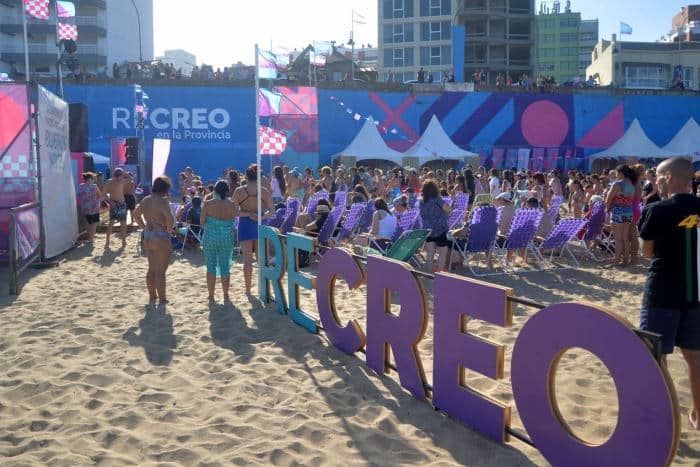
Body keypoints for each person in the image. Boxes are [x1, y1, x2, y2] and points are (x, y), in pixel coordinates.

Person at [638, 157, 700, 430]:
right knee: (695, 356)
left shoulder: (658, 209)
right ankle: (698, 414)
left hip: (663, 290)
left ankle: (659, 417)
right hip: (696, 291)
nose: (656, 181)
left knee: (653, 355)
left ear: (671, 177)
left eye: (659, 176)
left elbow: (647, 252)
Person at [232, 165, 273, 295]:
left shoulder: (239, 191)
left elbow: (233, 212)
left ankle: (248, 290)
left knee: (247, 260)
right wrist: (261, 217)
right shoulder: (264, 191)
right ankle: (263, 288)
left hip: (245, 225)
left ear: (246, 176)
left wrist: (248, 215)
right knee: (262, 259)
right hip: (261, 225)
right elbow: (272, 211)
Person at [132, 176, 174, 304]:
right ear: (165, 188)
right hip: (160, 235)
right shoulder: (162, 201)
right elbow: (170, 219)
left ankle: (152, 296)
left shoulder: (146, 199)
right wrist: (169, 230)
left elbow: (135, 214)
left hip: (148, 236)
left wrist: (144, 227)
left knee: (151, 269)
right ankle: (162, 298)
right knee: (161, 271)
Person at [201, 181, 236, 301]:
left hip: (210, 237)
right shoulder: (232, 205)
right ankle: (226, 294)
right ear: (227, 191)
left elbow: (201, 222)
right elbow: (234, 219)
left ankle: (211, 295)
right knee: (225, 266)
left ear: (214, 191)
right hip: (226, 238)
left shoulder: (208, 203)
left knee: (210, 267)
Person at [605, 164, 640, 266]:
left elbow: (608, 199)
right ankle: (625, 260)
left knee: (618, 238)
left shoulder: (617, 184)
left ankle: (616, 261)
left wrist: (607, 210)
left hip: (618, 212)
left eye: (616, 173)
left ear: (620, 173)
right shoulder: (631, 185)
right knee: (625, 238)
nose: (616, 175)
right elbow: (631, 200)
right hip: (629, 211)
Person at [419, 180, 451, 272]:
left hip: (428, 230)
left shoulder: (421, 201)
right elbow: (447, 209)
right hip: (439, 228)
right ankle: (440, 274)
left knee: (430, 254)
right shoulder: (437, 199)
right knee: (442, 254)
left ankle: (430, 274)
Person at [103, 167, 128, 248]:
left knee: (122, 223)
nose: (119, 177)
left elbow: (131, 179)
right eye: (118, 175)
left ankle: (123, 241)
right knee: (112, 223)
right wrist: (111, 201)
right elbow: (104, 194)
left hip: (120, 203)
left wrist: (124, 173)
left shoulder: (121, 181)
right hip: (116, 204)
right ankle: (107, 240)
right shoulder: (110, 181)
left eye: (120, 175)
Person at [77, 172, 102, 242]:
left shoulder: (81, 186)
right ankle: (91, 238)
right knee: (94, 223)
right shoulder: (94, 186)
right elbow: (100, 195)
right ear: (90, 179)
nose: (93, 180)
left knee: (88, 222)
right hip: (94, 207)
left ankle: (90, 236)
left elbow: (79, 196)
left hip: (85, 207)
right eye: (93, 178)